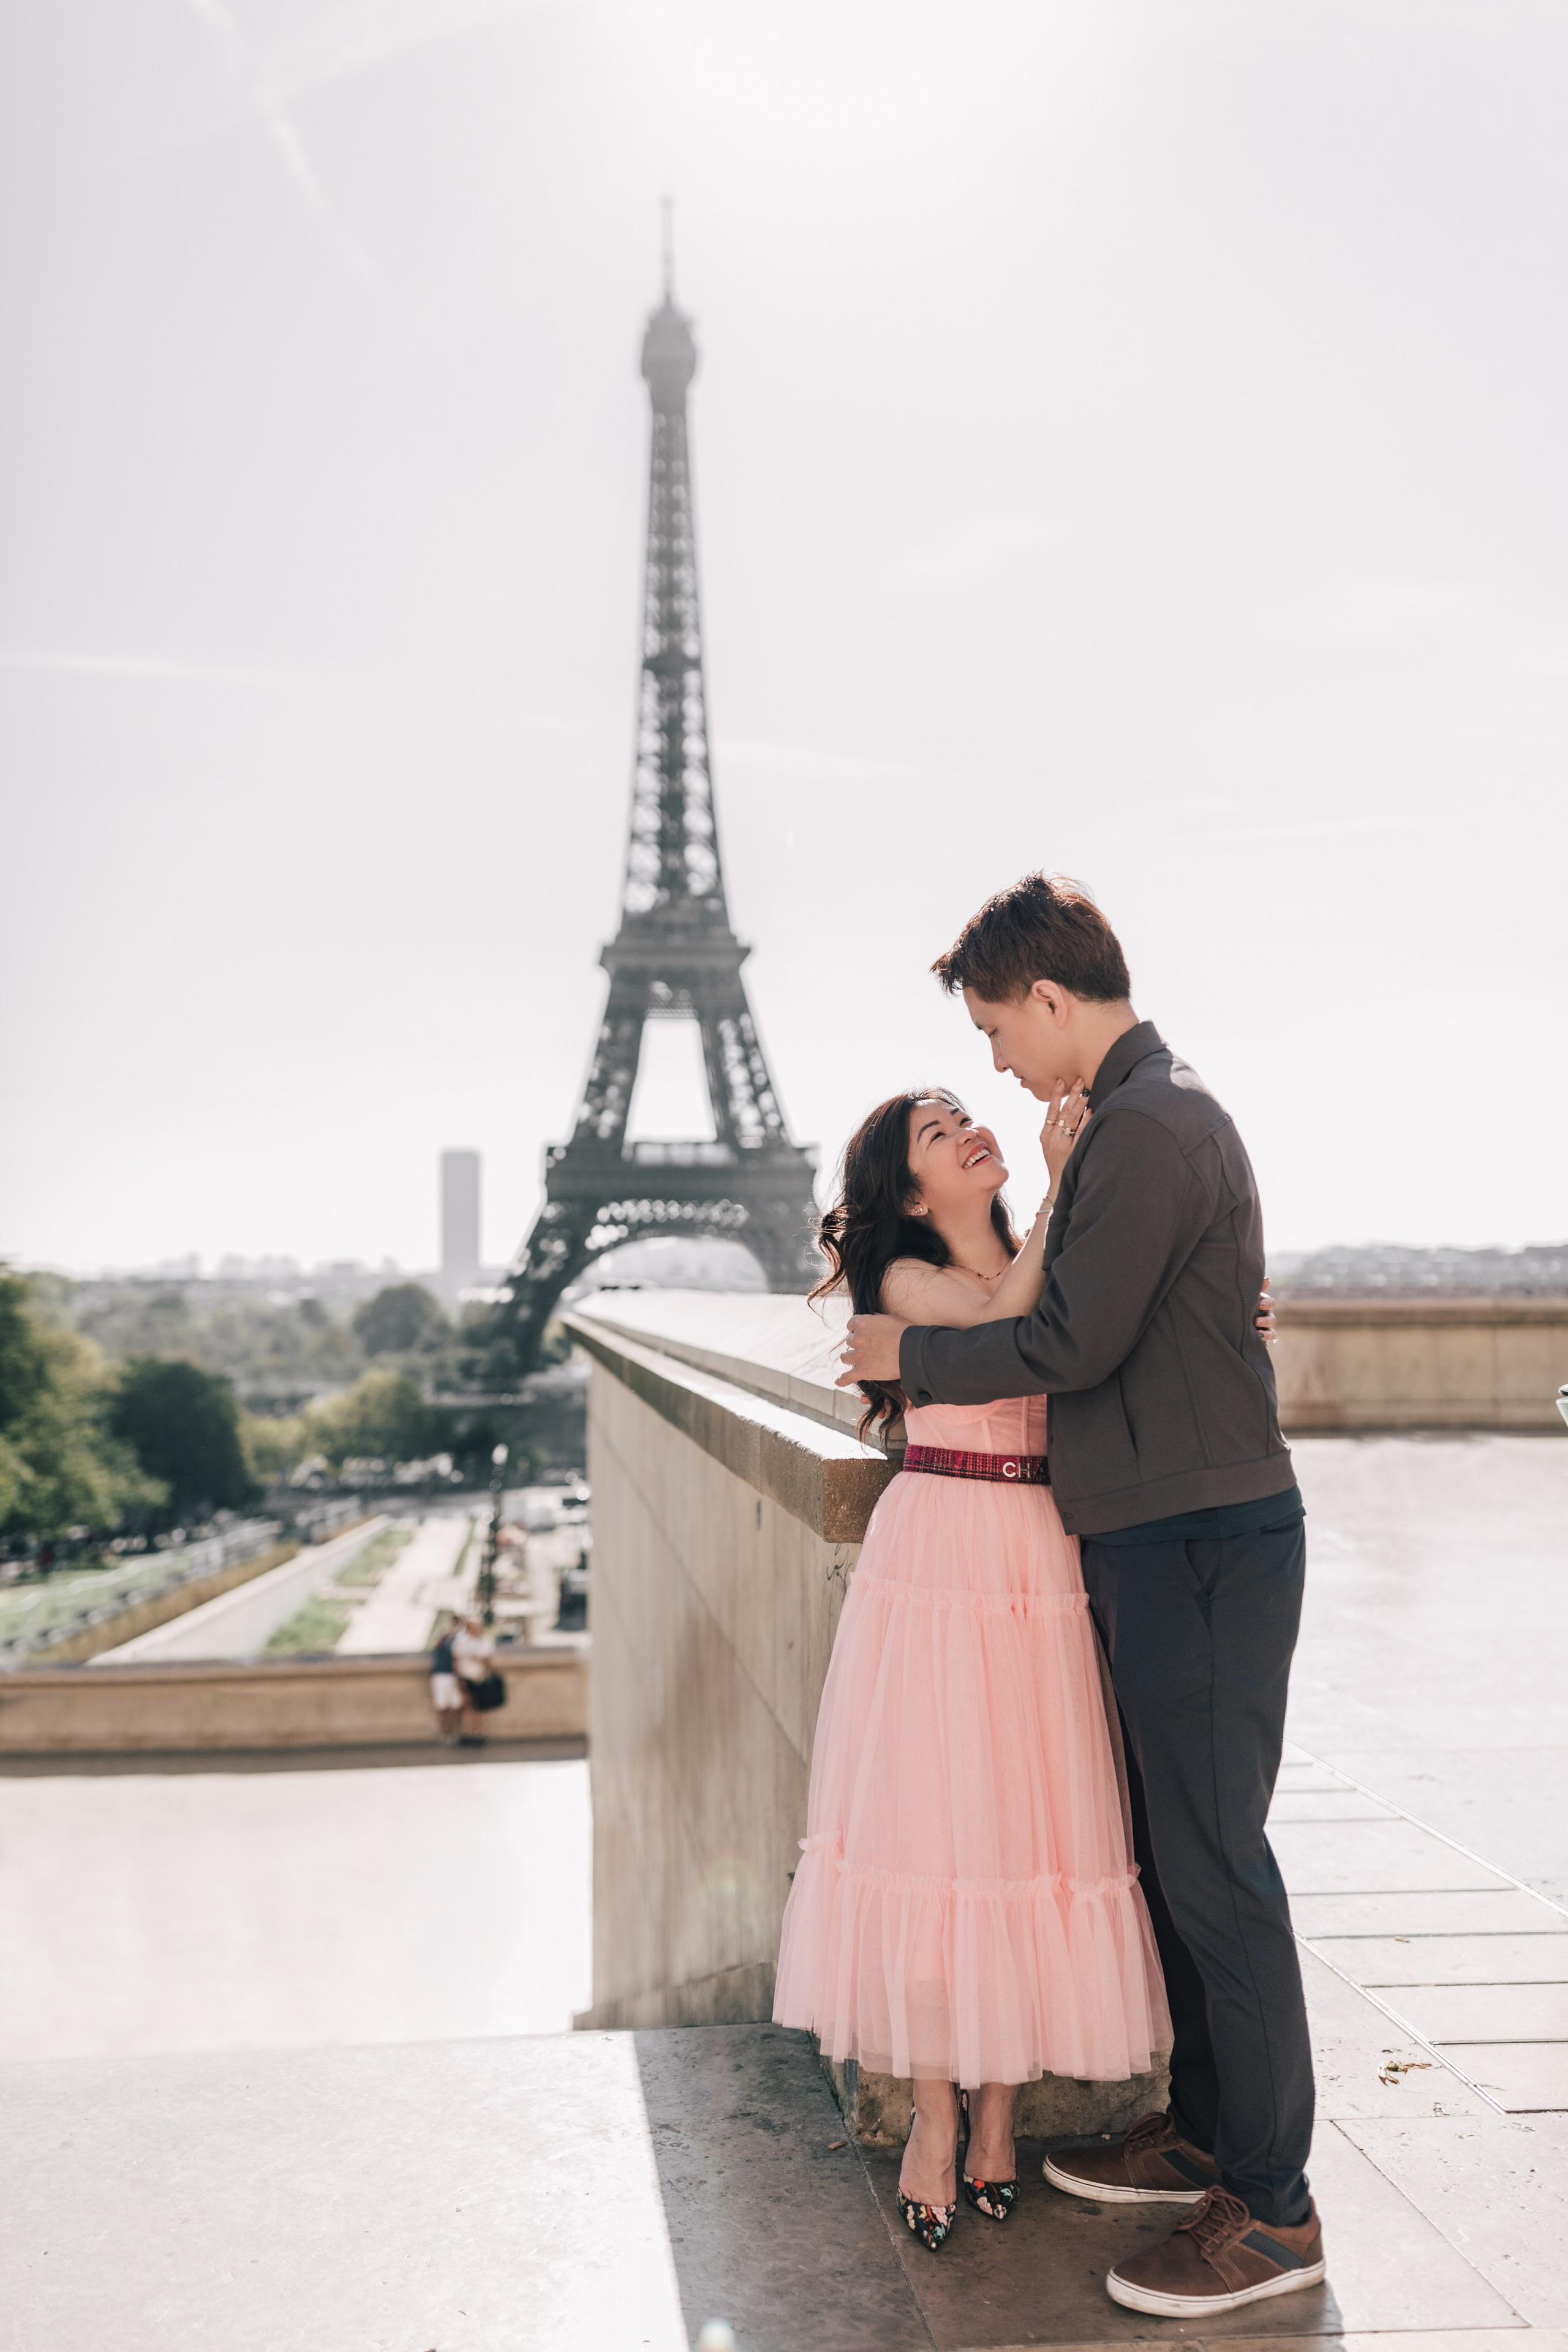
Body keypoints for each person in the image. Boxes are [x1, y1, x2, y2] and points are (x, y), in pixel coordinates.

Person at [839, 873, 1321, 2321]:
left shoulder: (1153, 1122)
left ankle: (1273, 2207)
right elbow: (1118, 1307)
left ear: (1048, 997)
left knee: (1214, 1865)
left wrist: (896, 1357)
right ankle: (1208, 2130)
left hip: (1195, 1536)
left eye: (994, 1024)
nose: (992, 1057)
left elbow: (1060, 1336)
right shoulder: (1127, 1128)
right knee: (1180, 1859)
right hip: (1151, 1533)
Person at [774, 1082, 1276, 2254]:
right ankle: (935, 2115)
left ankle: (997, 2114)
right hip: (944, 1556)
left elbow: (1100, 1337)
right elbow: (1005, 1319)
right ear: (907, 1193)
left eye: (965, 1111)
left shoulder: (1060, 1262)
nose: (970, 1130)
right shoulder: (905, 1283)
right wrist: (1061, 1190)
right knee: (940, 1830)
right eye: (939, 1133)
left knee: (1025, 1829)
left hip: (1045, 1555)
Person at [451, 1612, 496, 1749]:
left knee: (480, 1707)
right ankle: (466, 1734)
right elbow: (456, 1661)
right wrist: (460, 1678)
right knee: (467, 1707)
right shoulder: (461, 1641)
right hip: (467, 1678)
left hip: (480, 1678)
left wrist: (478, 1660)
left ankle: (479, 1734)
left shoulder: (485, 1641)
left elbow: (489, 1660)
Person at [429, 1618, 463, 1746]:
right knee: (443, 1706)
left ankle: (449, 1730)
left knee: (455, 1705)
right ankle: (444, 1731)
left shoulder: (457, 1639)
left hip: (450, 1676)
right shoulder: (443, 1639)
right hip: (442, 1676)